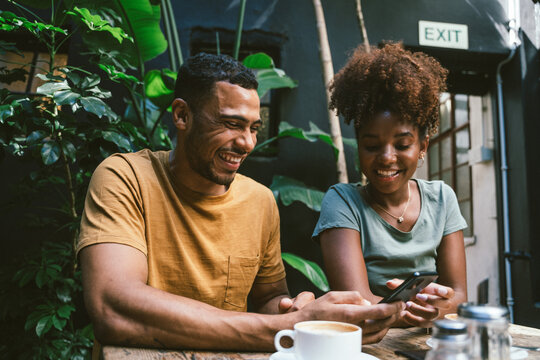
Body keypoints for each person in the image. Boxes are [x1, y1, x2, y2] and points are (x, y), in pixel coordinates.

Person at [77, 52, 404, 352]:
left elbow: (268, 299)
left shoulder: (259, 200)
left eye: (253, 128)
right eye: (232, 124)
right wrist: (286, 326)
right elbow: (113, 307)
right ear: (181, 116)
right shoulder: (125, 177)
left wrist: (294, 310)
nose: (246, 143)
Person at [313, 43, 468, 328]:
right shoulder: (343, 202)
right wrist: (425, 307)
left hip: (427, 344)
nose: (386, 157)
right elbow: (357, 304)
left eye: (402, 144)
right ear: (359, 147)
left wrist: (435, 306)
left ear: (422, 146)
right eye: (372, 145)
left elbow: (458, 296)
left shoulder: (442, 199)